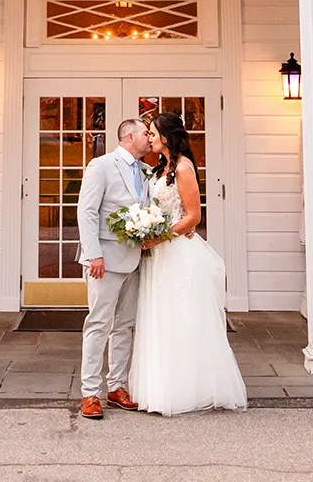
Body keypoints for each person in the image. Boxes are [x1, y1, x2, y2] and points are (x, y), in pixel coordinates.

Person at [127, 111, 248, 414]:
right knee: (159, 316)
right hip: (158, 255)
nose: (149, 138)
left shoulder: (183, 168)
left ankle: (187, 389)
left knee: (182, 317)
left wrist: (159, 236)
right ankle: (159, 387)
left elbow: (193, 216)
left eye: (153, 133)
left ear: (166, 137)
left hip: (177, 252)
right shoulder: (159, 170)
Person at [74, 117, 151, 419]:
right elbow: (87, 211)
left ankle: (117, 386)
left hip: (134, 260)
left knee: (124, 326)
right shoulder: (101, 166)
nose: (150, 138)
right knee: (98, 324)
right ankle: (89, 393)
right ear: (130, 136)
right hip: (103, 260)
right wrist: (94, 254)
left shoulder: (144, 172)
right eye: (146, 133)